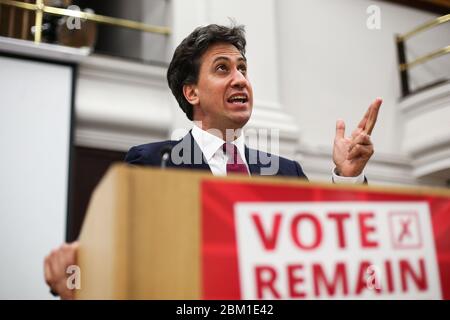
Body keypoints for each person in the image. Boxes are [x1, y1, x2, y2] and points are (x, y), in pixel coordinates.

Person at [44, 24, 381, 299]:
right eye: (223, 68)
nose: (240, 79)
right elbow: (116, 255)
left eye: (243, 69)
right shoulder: (152, 164)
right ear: (192, 93)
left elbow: (330, 257)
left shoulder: (286, 172)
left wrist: (347, 177)